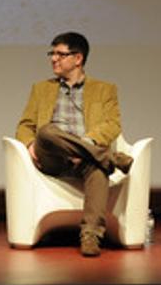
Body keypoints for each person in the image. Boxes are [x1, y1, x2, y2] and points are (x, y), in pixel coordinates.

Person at [15, 31, 134, 257]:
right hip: (51, 157)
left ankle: (91, 235)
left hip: (85, 158)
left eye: (60, 54)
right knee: (47, 131)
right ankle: (110, 158)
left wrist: (86, 144)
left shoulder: (105, 89)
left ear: (78, 58)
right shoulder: (41, 89)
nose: (53, 59)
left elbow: (112, 124)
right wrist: (31, 144)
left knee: (97, 168)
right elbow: (25, 125)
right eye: (52, 54)